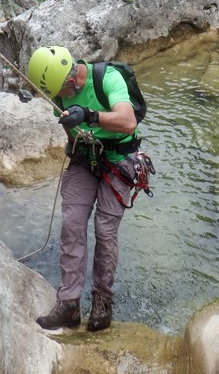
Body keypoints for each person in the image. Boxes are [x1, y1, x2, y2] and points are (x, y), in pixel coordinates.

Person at [29, 46, 141, 332]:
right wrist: (74, 134)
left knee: (105, 232)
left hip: (119, 160)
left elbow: (128, 122)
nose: (61, 98)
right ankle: (69, 303)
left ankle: (102, 299)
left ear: (72, 81)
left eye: (63, 93)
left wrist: (90, 115)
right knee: (72, 225)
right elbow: (70, 129)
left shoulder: (107, 78)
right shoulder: (58, 90)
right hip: (85, 159)